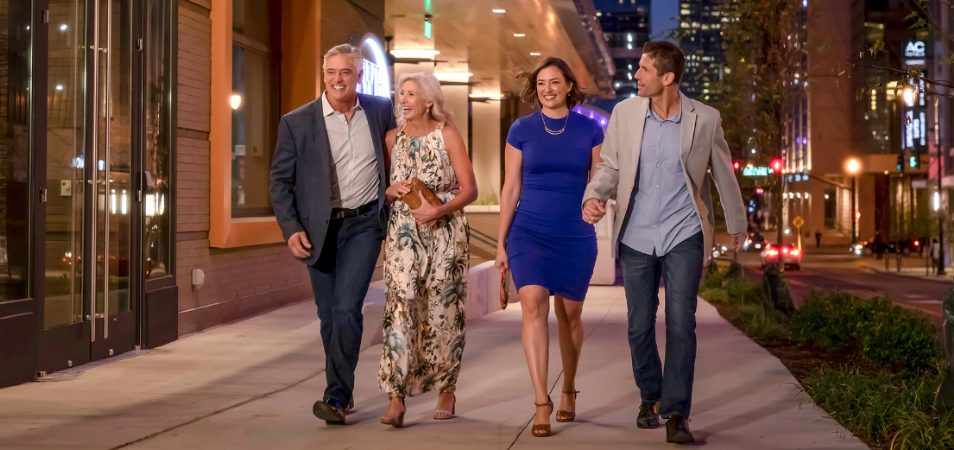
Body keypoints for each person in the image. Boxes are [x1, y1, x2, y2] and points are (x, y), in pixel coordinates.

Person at [582, 41, 746, 444]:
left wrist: (736, 223)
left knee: (681, 323)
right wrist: (594, 195)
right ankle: (650, 396)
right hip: (637, 234)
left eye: (643, 69)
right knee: (639, 326)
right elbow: (611, 165)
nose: (635, 75)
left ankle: (676, 412)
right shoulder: (625, 113)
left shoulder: (704, 119)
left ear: (667, 77)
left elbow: (722, 173)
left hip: (684, 233)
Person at [269, 43, 396, 425]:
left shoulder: (379, 110)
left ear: (359, 75)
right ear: (323, 75)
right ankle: (342, 386)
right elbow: (279, 182)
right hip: (318, 231)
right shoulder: (298, 122)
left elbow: (400, 153)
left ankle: (337, 396)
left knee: (346, 309)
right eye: (331, 73)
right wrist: (290, 229)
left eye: (345, 72)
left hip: (364, 225)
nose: (338, 79)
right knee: (328, 315)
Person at [496, 57, 605, 438]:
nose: (548, 89)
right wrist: (500, 244)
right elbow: (511, 189)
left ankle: (569, 387)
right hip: (529, 231)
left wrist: (599, 203)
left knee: (570, 315)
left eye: (555, 82)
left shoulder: (589, 130)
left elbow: (599, 181)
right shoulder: (521, 129)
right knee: (532, 305)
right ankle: (541, 401)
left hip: (574, 233)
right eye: (542, 83)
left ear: (569, 86)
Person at [377, 72, 477, 428]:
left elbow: (470, 190)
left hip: (445, 231)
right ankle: (395, 396)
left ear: (428, 101)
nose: (402, 100)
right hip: (404, 232)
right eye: (400, 94)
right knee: (400, 309)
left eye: (410, 94)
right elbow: (384, 188)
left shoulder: (446, 134)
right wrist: (390, 192)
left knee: (443, 311)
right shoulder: (392, 139)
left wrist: (437, 209)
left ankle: (446, 387)